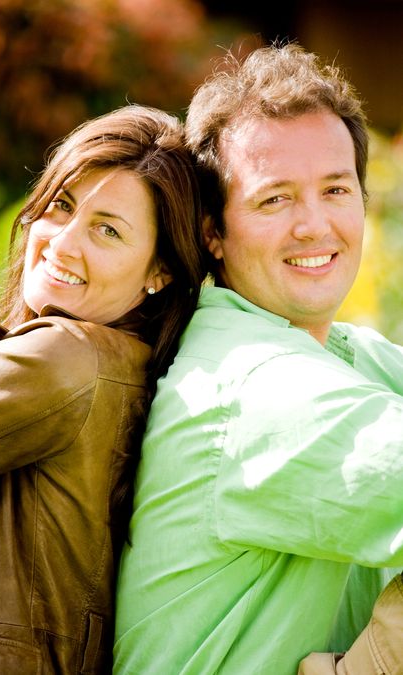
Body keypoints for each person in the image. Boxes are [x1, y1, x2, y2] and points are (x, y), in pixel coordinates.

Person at [113, 44, 403, 674]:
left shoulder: (348, 356)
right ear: (213, 232)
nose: (315, 225)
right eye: (275, 199)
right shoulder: (251, 386)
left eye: (335, 189)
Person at [0, 103, 207, 673]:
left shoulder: (63, 358)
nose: (62, 243)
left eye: (107, 230)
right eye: (62, 206)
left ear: (159, 272)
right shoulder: (130, 369)